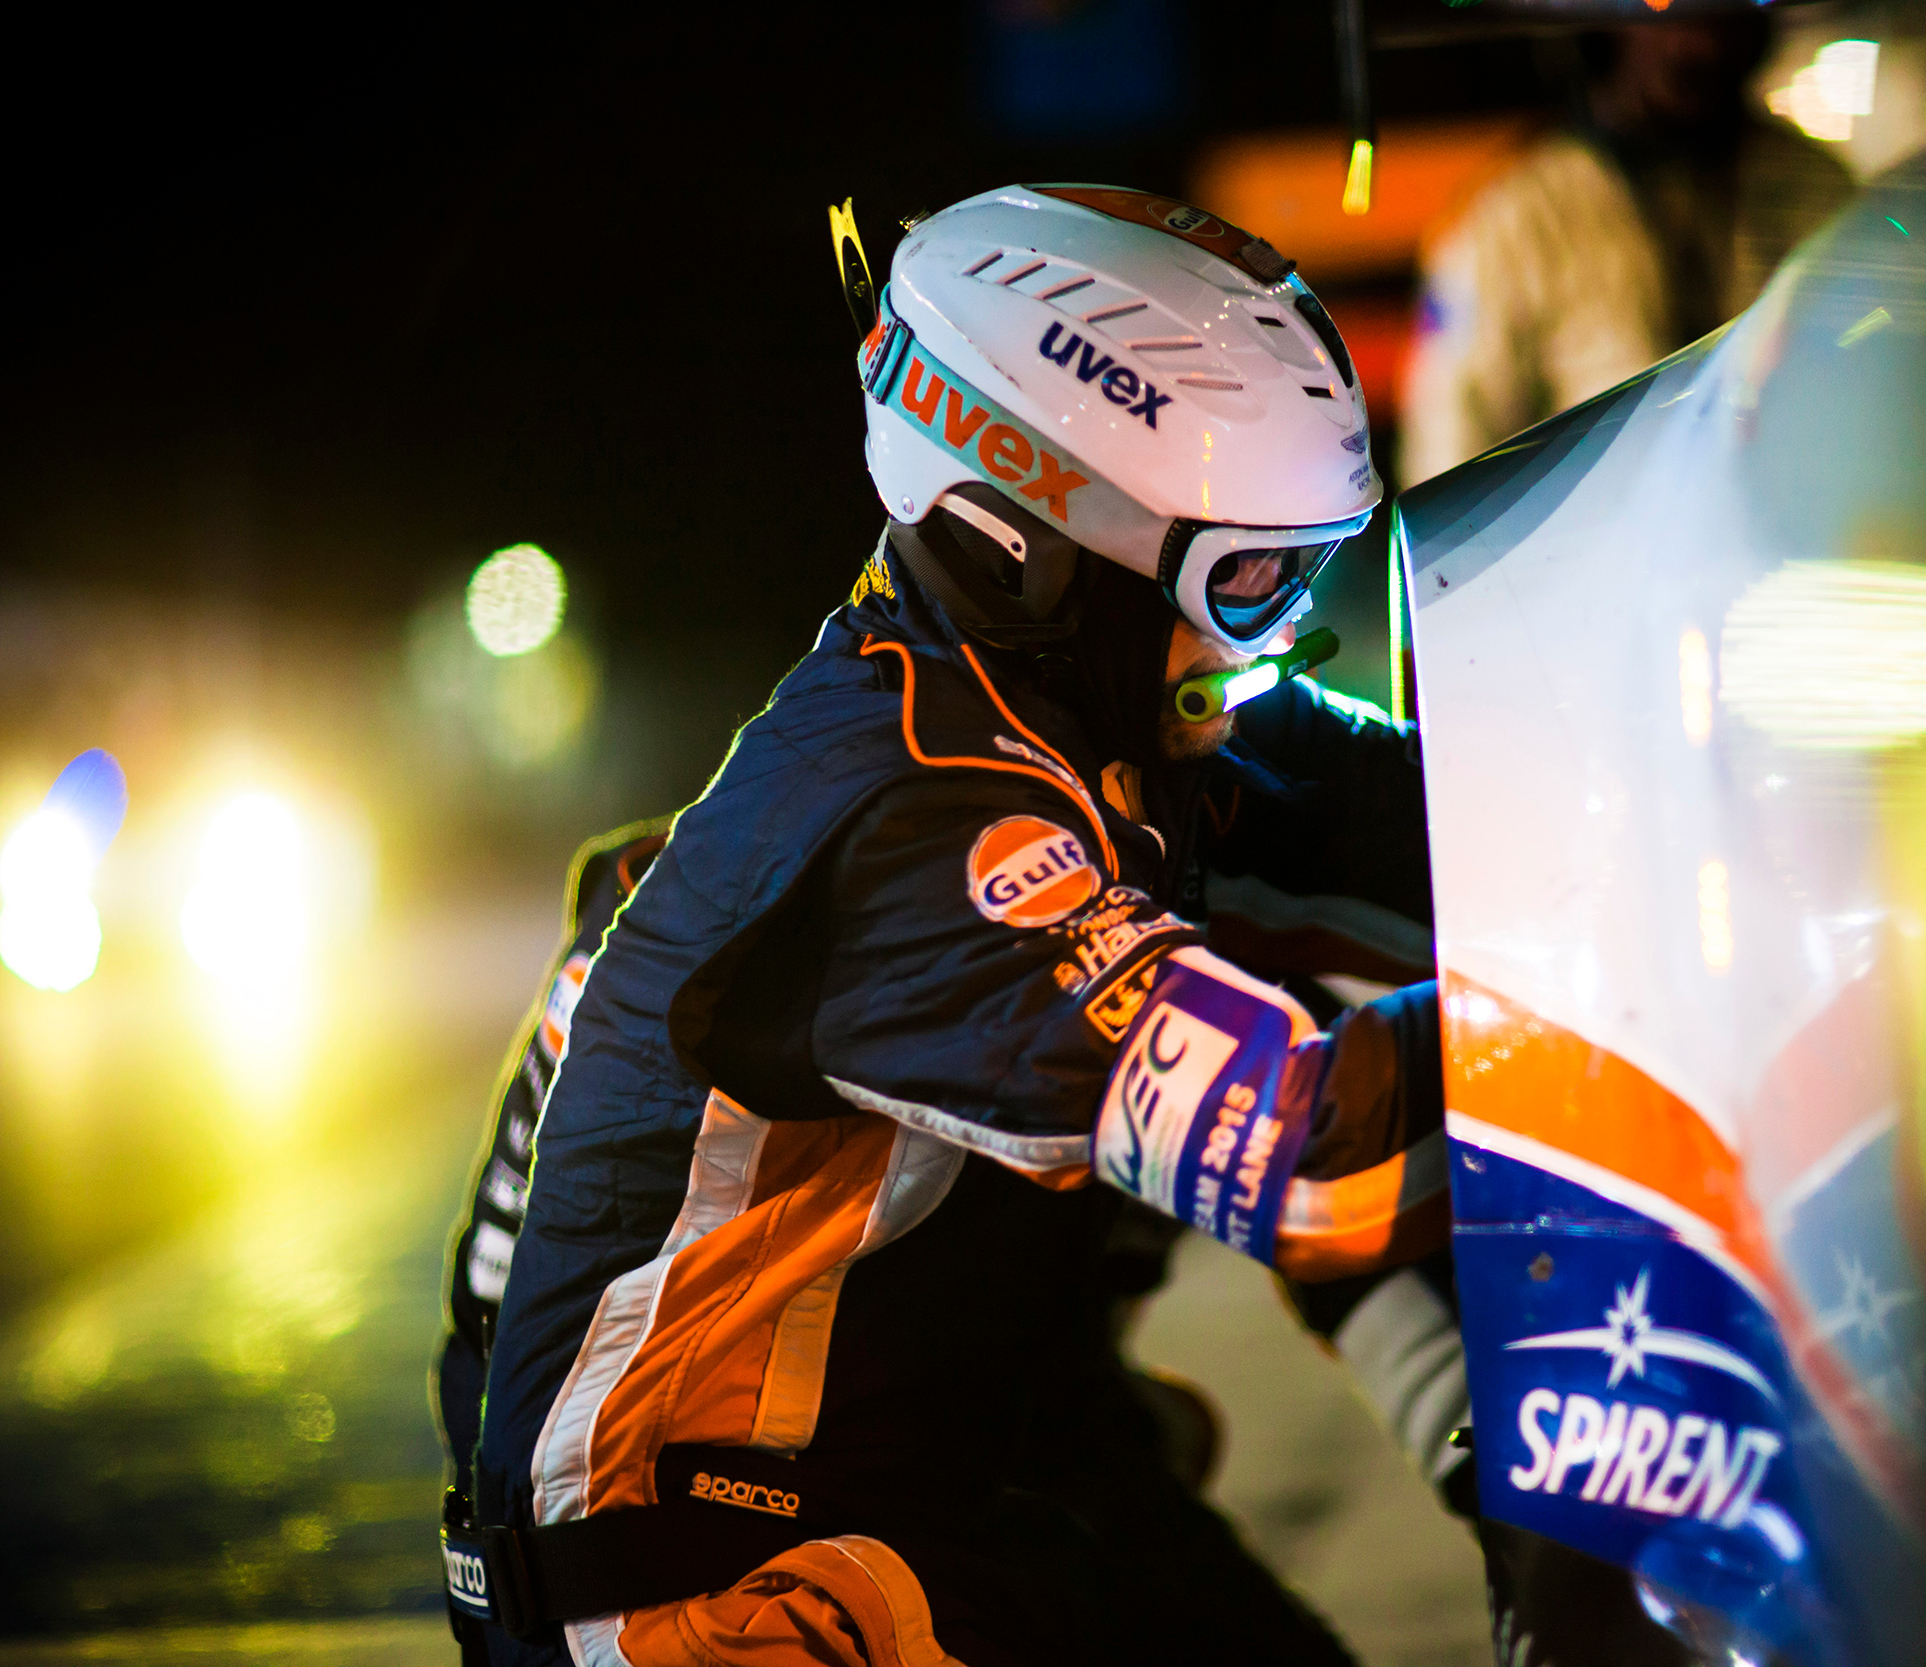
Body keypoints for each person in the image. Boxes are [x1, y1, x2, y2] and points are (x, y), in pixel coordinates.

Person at [437, 185, 1461, 1667]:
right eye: (1251, 576)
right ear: (1025, 542)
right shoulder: (917, 818)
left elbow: (1437, 800)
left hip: (902, 1503)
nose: (1284, 629)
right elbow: (1317, 1153)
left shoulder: (1070, 707)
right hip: (708, 1601)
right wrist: (1659, 1008)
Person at [1399, 11, 1858, 483]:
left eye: (1719, 9)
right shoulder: (1518, 217)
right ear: (1608, 16)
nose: (1696, 43)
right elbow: (1450, 447)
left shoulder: (1815, 190)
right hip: (1601, 547)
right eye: (1663, 7)